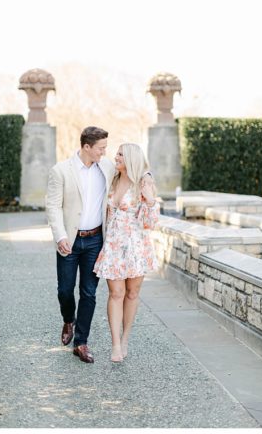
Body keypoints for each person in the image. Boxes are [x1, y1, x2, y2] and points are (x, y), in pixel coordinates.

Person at [45, 126, 116, 364]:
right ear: (87, 147)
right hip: (70, 239)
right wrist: (60, 236)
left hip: (96, 239)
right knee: (65, 290)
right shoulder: (61, 171)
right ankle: (68, 319)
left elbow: (133, 173)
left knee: (89, 292)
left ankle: (81, 342)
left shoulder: (106, 167)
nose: (104, 153)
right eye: (101, 148)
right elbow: (53, 206)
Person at [93, 143, 159, 363]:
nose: (116, 156)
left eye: (120, 154)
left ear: (130, 158)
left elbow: (150, 224)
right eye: (117, 153)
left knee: (132, 294)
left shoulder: (143, 181)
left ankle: (126, 339)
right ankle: (115, 344)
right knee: (116, 293)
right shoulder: (112, 178)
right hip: (113, 246)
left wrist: (150, 201)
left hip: (136, 247)